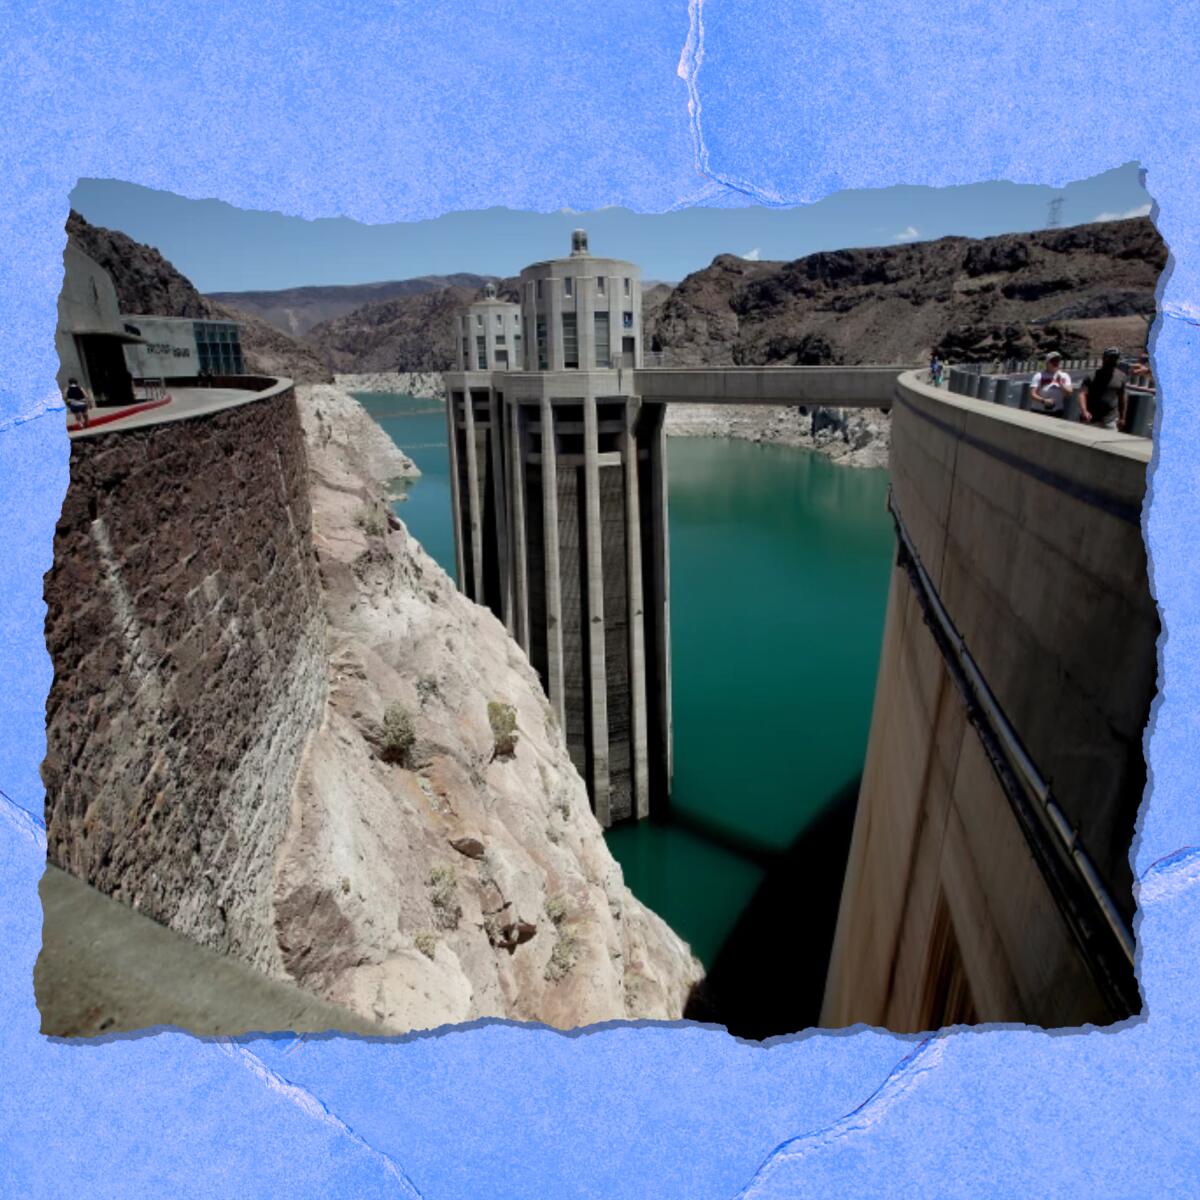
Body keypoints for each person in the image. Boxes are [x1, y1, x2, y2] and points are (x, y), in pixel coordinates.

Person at [1078, 347, 1128, 431]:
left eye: (1115, 358)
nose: (1113, 360)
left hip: (1110, 420)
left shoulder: (1121, 377)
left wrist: (1122, 418)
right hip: (1090, 419)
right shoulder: (1091, 376)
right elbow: (1082, 394)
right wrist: (1084, 411)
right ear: (1104, 358)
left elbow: (1122, 398)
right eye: (1111, 358)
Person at [1030, 351, 1073, 417]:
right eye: (1053, 361)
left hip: (1057, 411)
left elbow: (1070, 392)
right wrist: (1044, 401)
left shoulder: (1064, 376)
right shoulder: (1039, 376)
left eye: (1057, 360)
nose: (1056, 363)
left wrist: (1061, 384)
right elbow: (1032, 394)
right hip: (1039, 411)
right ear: (1047, 362)